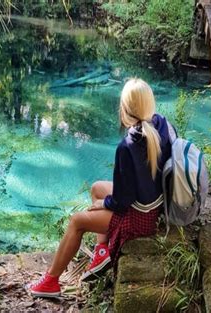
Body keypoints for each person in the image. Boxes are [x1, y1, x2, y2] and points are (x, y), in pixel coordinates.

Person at [26, 78, 173, 298]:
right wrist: (103, 199)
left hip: (140, 217)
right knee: (97, 187)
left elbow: (122, 202)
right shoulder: (161, 124)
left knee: (77, 221)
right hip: (154, 202)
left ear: (124, 109)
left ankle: (51, 282)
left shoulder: (128, 145)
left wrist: (104, 204)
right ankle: (101, 251)